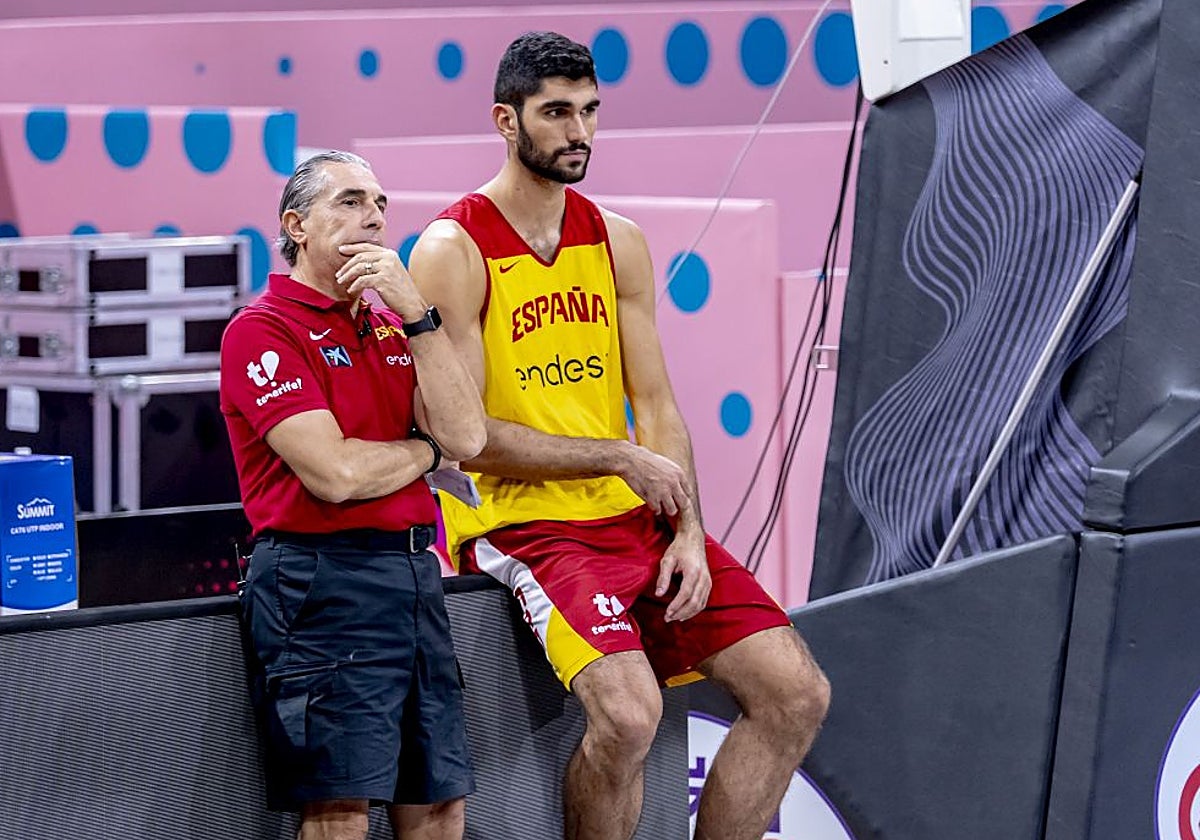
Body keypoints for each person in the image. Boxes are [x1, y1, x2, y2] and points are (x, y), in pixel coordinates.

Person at [407, 32, 831, 840]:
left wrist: (693, 532)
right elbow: (464, 441)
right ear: (506, 119)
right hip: (523, 525)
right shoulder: (451, 250)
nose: (580, 132)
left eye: (591, 112)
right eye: (557, 112)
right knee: (631, 716)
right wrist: (617, 455)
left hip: (632, 517)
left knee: (796, 693)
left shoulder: (617, 240)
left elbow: (659, 405)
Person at [219, 150, 486, 840]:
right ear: (296, 225)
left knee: (437, 802)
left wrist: (420, 318)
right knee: (339, 811)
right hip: (320, 580)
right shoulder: (262, 331)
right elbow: (335, 474)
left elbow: (468, 435)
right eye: (350, 201)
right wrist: (425, 455)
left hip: (414, 573)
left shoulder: (394, 325)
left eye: (380, 203)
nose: (374, 215)